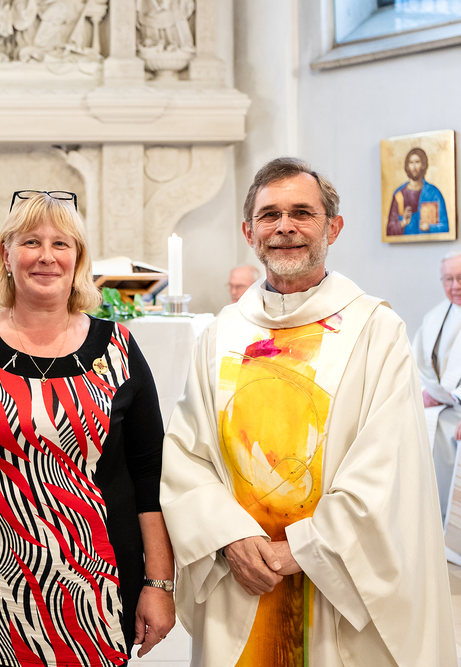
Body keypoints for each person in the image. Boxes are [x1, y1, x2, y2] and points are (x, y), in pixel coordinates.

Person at [161, 157, 455, 666]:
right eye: (270, 215)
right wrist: (229, 537)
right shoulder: (221, 333)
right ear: (249, 232)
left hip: (336, 581)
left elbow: (387, 468)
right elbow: (188, 456)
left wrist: (300, 549)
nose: (285, 227)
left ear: (333, 228)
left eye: (302, 212)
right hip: (242, 572)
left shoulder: (375, 331)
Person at [0, 190, 176, 666]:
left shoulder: (118, 347)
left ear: (78, 258)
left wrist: (159, 582)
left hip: (102, 589)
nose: (46, 256)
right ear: (6, 254)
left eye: (61, 244)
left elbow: (149, 474)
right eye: (31, 242)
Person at [414, 251, 461, 523]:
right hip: (440, 407)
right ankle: (429, 523)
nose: (455, 286)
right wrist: (426, 392)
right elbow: (417, 364)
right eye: (449, 279)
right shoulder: (435, 317)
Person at [386, 147, 449, 236]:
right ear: (407, 166)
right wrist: (402, 223)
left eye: (417, 162)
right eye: (411, 162)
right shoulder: (399, 195)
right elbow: (389, 230)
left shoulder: (434, 193)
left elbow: (445, 227)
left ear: (423, 165)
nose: (414, 167)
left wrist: (430, 227)